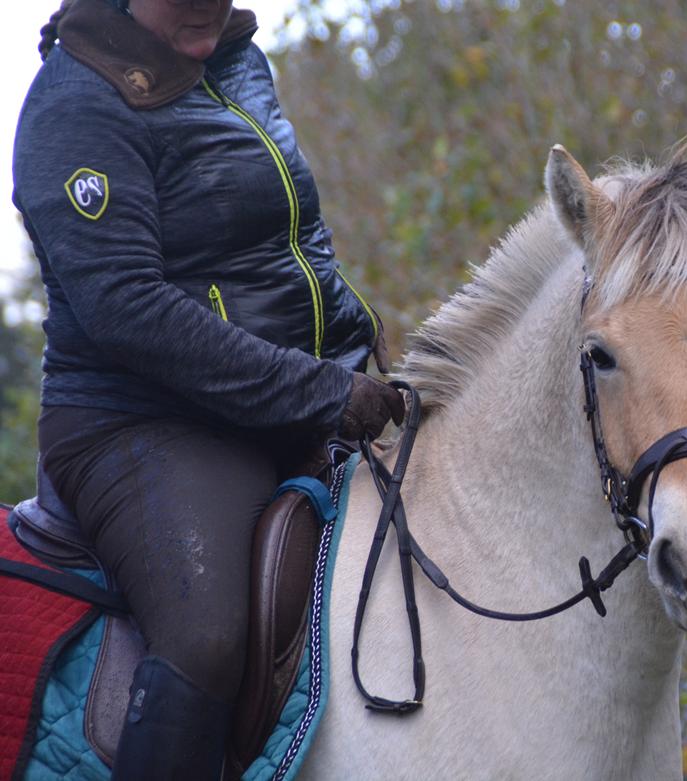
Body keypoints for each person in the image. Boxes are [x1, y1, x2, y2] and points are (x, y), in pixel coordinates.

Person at [13, 0, 405, 777]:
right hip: (141, 424)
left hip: (290, 396)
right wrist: (313, 388)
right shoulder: (73, 103)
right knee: (207, 633)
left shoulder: (233, 61)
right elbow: (130, 312)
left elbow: (289, 238)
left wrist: (349, 341)